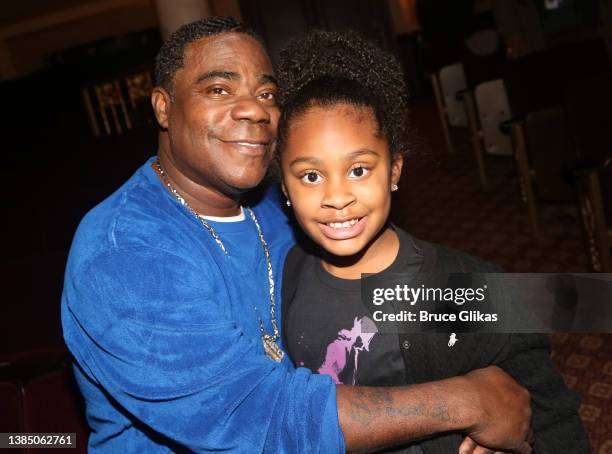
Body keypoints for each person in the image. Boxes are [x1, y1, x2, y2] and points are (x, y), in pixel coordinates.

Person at [62, 17, 533, 453]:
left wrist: (483, 350)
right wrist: (466, 400)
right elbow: (257, 419)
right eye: (220, 89)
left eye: (267, 94)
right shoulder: (124, 253)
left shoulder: (276, 203)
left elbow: (391, 279)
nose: (253, 108)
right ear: (164, 107)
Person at [275, 30, 590, 453]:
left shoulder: (454, 288)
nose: (336, 197)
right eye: (311, 176)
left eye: (359, 170)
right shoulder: (290, 271)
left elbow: (552, 415)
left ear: (394, 170)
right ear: (285, 188)